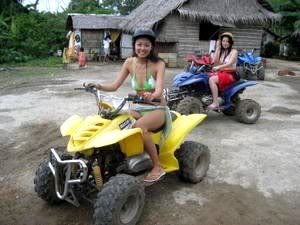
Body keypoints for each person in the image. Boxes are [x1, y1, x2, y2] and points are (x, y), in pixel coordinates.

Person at [86, 28, 167, 183]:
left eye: (146, 45)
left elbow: (159, 89)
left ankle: (157, 166)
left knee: (139, 126)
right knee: (118, 120)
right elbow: (115, 85)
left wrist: (153, 95)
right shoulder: (129, 62)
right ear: (134, 45)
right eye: (139, 44)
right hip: (138, 107)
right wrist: (98, 86)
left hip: (157, 107)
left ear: (152, 47)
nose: (142, 48)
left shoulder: (159, 64)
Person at [208, 32, 238, 110]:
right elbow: (214, 61)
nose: (225, 43)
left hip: (231, 74)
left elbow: (230, 63)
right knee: (205, 76)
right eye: (223, 41)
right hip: (222, 72)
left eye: (227, 41)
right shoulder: (223, 51)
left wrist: (219, 67)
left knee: (212, 80)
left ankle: (215, 103)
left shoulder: (234, 52)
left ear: (230, 42)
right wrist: (217, 48)